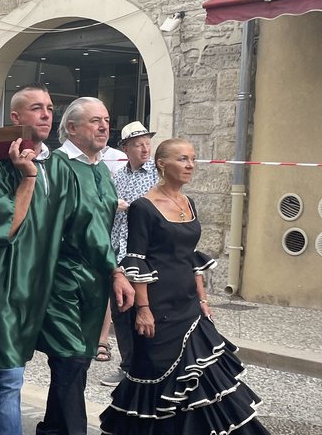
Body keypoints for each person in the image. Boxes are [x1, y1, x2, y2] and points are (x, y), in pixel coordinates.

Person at [0, 86, 132, 435]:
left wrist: (113, 270)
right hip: (6, 283)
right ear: (16, 118)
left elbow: (85, 225)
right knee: (10, 373)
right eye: (36, 108)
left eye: (50, 108)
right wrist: (26, 177)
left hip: (44, 284)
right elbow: (1, 228)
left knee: (19, 373)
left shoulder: (60, 166)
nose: (46, 114)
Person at [101, 139, 270, 435]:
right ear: (162, 164)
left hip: (189, 306)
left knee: (207, 378)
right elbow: (136, 260)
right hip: (157, 309)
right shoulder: (143, 207)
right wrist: (143, 309)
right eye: (183, 159)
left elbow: (191, 255)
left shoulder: (188, 202)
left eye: (193, 159)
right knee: (157, 380)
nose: (190, 165)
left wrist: (203, 299)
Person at [43, 97, 133, 435]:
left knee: (78, 361)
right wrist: (116, 270)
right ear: (71, 128)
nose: (104, 126)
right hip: (62, 277)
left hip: (93, 280)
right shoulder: (59, 165)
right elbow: (84, 225)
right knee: (71, 359)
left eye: (107, 119)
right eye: (95, 120)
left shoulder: (100, 169)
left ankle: (51, 428)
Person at [99, 121, 159, 387]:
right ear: (126, 148)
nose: (145, 148)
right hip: (118, 251)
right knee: (122, 313)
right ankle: (128, 368)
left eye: (147, 143)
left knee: (147, 310)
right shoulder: (118, 176)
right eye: (138, 144)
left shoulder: (157, 174)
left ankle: (151, 369)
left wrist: (133, 207)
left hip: (146, 254)